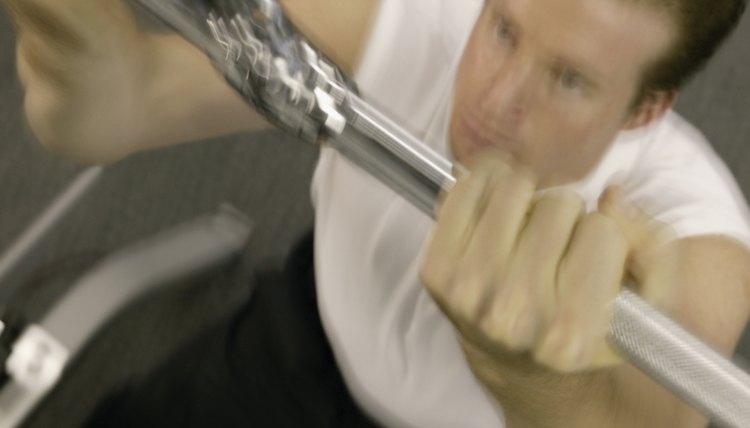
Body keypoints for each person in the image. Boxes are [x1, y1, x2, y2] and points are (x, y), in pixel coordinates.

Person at [3, 0, 750, 427]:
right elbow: (123, 106)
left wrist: (536, 381)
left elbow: (646, 421)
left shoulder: (691, 223)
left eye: (570, 79)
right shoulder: (416, 18)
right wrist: (77, 49)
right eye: (505, 29)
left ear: (647, 107)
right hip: (301, 346)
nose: (493, 101)